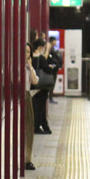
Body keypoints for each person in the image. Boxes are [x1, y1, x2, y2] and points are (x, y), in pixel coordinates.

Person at [31, 38, 53, 133]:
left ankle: (43, 126)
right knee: (41, 107)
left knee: (36, 106)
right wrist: (51, 67)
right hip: (42, 86)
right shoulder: (41, 58)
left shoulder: (31, 57)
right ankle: (39, 126)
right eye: (44, 47)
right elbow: (48, 69)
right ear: (40, 47)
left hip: (33, 85)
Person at [24, 42, 39, 170]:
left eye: (28, 52)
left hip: (26, 96)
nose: (26, 54)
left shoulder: (29, 68)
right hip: (17, 96)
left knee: (28, 128)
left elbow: (34, 81)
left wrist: (30, 66)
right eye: (24, 51)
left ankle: (27, 158)